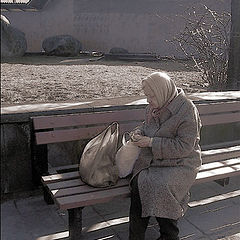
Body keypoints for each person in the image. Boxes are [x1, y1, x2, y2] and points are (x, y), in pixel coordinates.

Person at [129, 72, 202, 240]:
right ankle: (135, 236)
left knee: (162, 185)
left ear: (162, 91)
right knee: (139, 180)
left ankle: (169, 235)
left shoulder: (187, 109)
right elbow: (147, 127)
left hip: (182, 162)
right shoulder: (154, 107)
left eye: (151, 95)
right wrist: (139, 133)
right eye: (146, 95)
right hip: (156, 159)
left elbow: (185, 146)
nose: (148, 100)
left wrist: (151, 143)